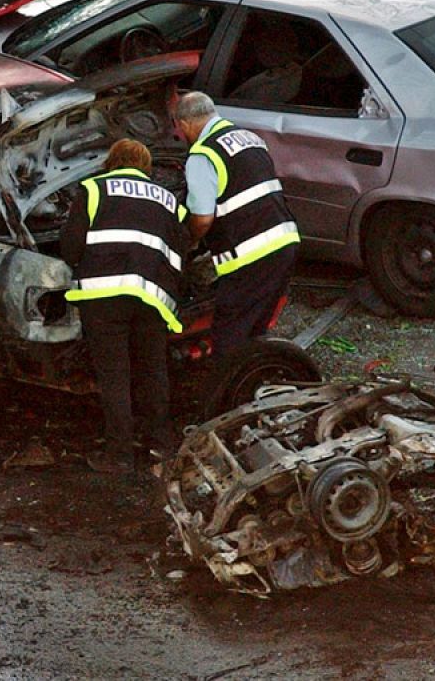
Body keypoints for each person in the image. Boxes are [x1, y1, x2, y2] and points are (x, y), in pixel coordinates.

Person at [60, 138, 185, 464]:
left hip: (105, 297)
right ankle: (161, 445)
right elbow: (182, 245)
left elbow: (71, 247)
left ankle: (119, 455)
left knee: (115, 374)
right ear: (146, 167)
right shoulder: (168, 199)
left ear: (112, 162)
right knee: (153, 369)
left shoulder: (93, 189)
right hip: (152, 297)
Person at [172, 92, 300, 357]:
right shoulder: (249, 138)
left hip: (251, 256)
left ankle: (226, 391)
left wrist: (188, 242)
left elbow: (203, 217)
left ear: (184, 124)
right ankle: (257, 379)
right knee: (255, 328)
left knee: (230, 331)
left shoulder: (202, 154)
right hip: (285, 243)